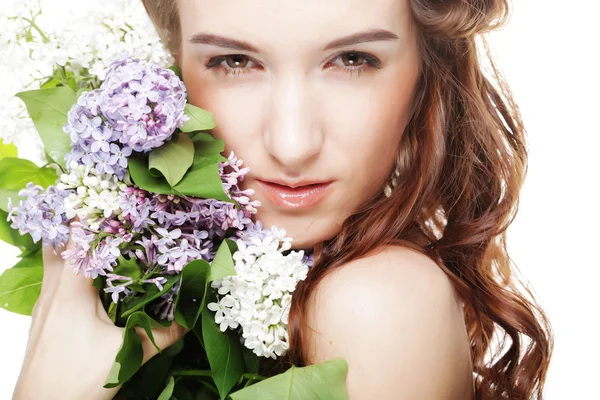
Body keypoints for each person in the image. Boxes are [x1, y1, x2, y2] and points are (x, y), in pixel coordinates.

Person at [13, 0, 554, 399]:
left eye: (352, 59)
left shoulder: (376, 301)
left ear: (425, 71)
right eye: (234, 62)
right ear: (172, 64)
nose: (292, 145)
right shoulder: (169, 287)